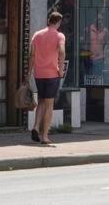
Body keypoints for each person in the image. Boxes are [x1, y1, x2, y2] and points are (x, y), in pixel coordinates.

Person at [27, 11, 65, 145]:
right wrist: (61, 70)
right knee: (49, 105)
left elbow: (32, 55)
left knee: (42, 101)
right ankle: (44, 136)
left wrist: (29, 73)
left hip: (39, 74)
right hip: (51, 74)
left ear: (49, 20)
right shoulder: (59, 35)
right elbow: (61, 51)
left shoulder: (37, 35)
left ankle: (36, 127)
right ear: (58, 22)